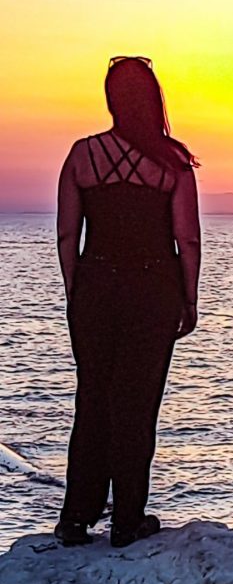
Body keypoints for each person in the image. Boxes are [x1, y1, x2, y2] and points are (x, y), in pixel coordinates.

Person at [54, 56, 201, 547]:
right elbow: (189, 239)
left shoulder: (82, 156)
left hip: (95, 286)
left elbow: (67, 234)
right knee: (137, 402)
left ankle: (76, 517)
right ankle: (127, 519)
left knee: (93, 396)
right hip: (153, 288)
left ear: (111, 98)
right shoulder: (173, 162)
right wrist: (190, 298)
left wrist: (76, 289)